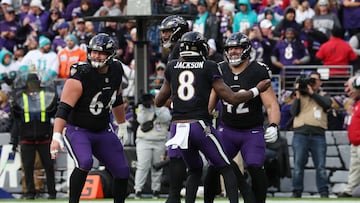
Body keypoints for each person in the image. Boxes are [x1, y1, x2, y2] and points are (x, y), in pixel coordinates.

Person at [154, 31, 271, 203]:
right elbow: (231, 97)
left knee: (194, 169)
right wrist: (256, 90)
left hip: (177, 127)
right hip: (198, 124)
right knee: (226, 167)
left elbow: (158, 101)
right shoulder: (208, 66)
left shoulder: (172, 66)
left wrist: (178, 99)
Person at [49, 33, 130, 203]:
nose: (96, 56)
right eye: (93, 52)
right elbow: (63, 109)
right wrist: (56, 136)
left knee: (122, 171)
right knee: (85, 162)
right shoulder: (81, 74)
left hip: (102, 129)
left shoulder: (116, 69)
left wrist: (121, 124)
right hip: (78, 130)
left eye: (100, 53)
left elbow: (117, 99)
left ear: (111, 54)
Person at [205, 32, 280, 203]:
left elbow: (271, 104)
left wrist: (274, 124)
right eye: (230, 48)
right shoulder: (220, 69)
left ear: (246, 49)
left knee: (255, 167)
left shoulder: (258, 70)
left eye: (237, 47)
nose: (233, 52)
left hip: (251, 130)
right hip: (227, 129)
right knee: (213, 167)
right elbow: (210, 102)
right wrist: (203, 121)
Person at [10, 72, 57, 199]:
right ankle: (30, 192)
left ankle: (52, 192)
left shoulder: (46, 95)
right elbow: (16, 117)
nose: (33, 86)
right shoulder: (21, 97)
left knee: (49, 166)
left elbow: (53, 111)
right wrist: (14, 140)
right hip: (27, 138)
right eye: (31, 83)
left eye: (34, 83)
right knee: (28, 167)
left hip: (44, 137)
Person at [158, 14, 189, 203]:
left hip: (189, 111)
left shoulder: (180, 49)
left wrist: (164, 99)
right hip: (193, 107)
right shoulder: (181, 48)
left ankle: (174, 195)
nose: (164, 35)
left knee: (177, 154)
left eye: (168, 31)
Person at [290, 71, 332, 198]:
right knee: (298, 165)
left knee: (321, 166)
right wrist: (297, 94)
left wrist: (312, 93)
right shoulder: (300, 95)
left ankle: (323, 192)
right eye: (310, 80)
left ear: (320, 82)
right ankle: (296, 192)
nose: (312, 83)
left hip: (318, 134)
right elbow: (293, 112)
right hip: (300, 134)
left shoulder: (324, 95)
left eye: (315, 80)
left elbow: (327, 104)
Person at [133, 93, 171, 199]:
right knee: (142, 166)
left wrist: (156, 107)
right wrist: (145, 107)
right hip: (144, 141)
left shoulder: (163, 109)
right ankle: (138, 190)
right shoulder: (141, 108)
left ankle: (156, 190)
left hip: (159, 140)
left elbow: (166, 118)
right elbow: (141, 120)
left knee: (157, 167)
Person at [338, 75, 360, 197]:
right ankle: (350, 189)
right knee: (355, 168)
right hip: (355, 142)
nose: (349, 91)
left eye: (353, 88)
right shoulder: (356, 104)